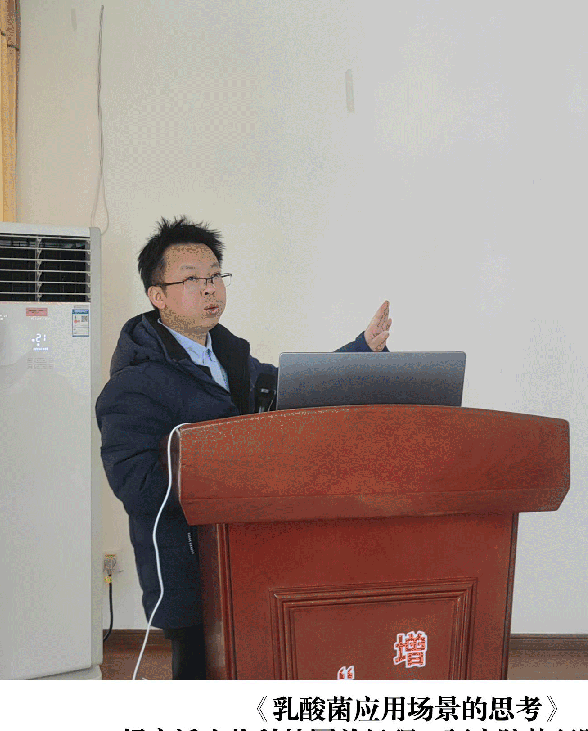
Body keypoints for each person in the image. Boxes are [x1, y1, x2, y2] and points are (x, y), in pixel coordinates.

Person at [95, 216, 391, 678]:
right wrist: (231, 463)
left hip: (253, 554)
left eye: (215, 276)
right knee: (200, 679)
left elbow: (294, 393)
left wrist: (362, 350)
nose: (209, 289)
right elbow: (136, 484)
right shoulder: (133, 383)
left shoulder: (231, 357)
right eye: (192, 280)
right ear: (158, 296)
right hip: (189, 566)